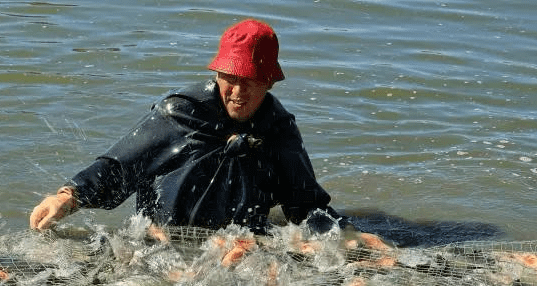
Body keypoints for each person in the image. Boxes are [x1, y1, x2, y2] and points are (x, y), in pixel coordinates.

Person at [29, 19, 346, 234]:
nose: (238, 92)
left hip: (240, 243)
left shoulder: (278, 127)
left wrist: (342, 234)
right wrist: (68, 197)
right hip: (164, 237)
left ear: (269, 82)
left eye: (250, 81)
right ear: (217, 75)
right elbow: (120, 166)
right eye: (231, 79)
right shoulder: (180, 112)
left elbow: (305, 204)